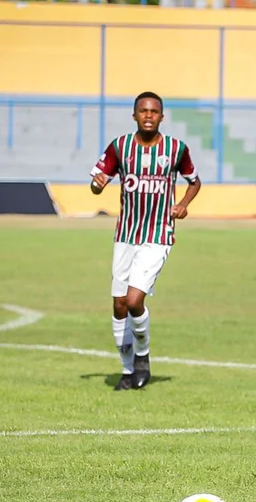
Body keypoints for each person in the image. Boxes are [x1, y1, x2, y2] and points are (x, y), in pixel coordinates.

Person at [90, 91, 201, 391]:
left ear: (162, 117)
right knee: (118, 306)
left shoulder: (176, 150)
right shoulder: (120, 146)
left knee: (134, 300)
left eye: (154, 111)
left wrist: (184, 204)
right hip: (125, 235)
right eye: (143, 111)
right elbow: (97, 182)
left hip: (158, 235)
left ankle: (142, 358)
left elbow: (194, 181)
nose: (148, 116)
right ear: (135, 115)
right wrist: (97, 185)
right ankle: (128, 371)